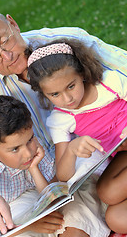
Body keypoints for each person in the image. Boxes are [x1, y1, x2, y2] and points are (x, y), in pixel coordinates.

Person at [0, 7, 127, 237]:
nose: (7, 56)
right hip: (42, 182)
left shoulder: (68, 42)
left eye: (5, 42)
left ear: (13, 24)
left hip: (89, 168)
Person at [27, 39, 127, 234]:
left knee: (110, 193)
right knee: (112, 209)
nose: (67, 99)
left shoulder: (109, 84)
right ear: (44, 94)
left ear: (81, 74)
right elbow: (63, 176)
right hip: (122, 156)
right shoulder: (61, 119)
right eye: (55, 94)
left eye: (71, 86)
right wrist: (72, 151)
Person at [0, 95, 66, 237]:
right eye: (15, 149)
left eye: (30, 139)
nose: (27, 153)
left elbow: (53, 201)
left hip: (23, 209)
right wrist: (29, 225)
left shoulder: (33, 147)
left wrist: (34, 169)